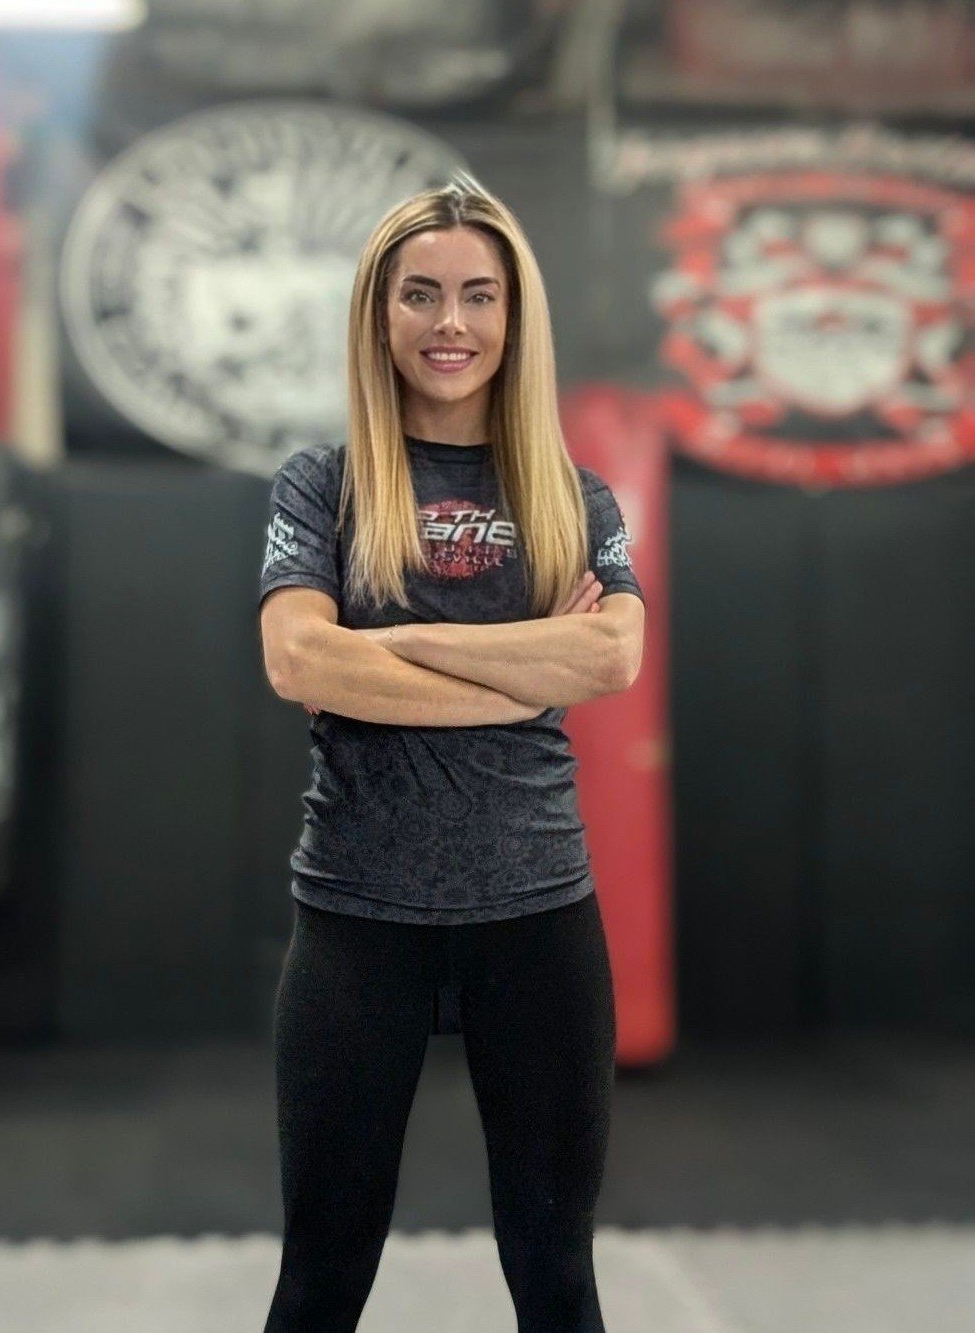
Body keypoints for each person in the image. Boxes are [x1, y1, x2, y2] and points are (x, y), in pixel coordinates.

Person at [257, 176, 646, 1332]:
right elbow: (301, 664)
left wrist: (400, 640)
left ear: (515, 319)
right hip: (356, 921)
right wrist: (527, 660)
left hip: (535, 916)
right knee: (322, 1277)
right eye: (420, 294)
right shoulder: (322, 485)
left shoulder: (572, 497)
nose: (451, 324)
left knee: (557, 1271)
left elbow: (614, 660)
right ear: (380, 313)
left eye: (480, 295)